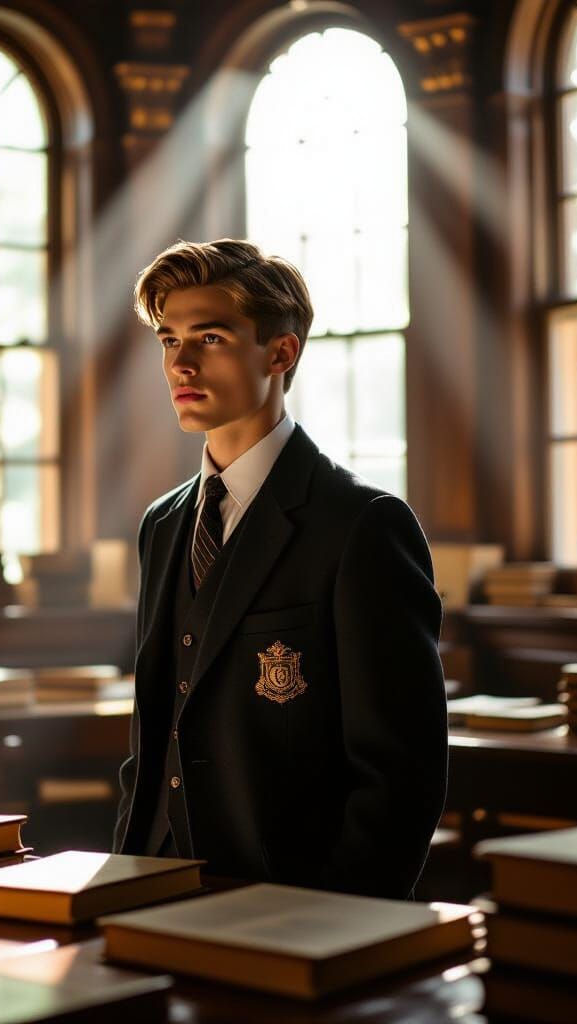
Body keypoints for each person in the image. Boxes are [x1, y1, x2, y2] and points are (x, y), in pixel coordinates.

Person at [112, 238, 447, 899]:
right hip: (148, 890)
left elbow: (400, 778)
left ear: (280, 352)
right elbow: (153, 739)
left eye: (208, 337)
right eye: (167, 339)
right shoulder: (164, 524)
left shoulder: (364, 526)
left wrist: (336, 929)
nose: (179, 362)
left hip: (290, 910)